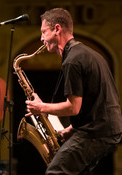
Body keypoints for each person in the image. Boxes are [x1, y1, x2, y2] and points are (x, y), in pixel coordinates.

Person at [25, 8, 122, 175]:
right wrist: (70, 129)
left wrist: (40, 108)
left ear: (57, 29)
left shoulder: (72, 60)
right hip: (107, 130)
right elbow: (95, 100)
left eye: (44, 32)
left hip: (96, 133)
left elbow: (73, 107)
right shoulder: (91, 54)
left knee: (55, 172)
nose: (41, 38)